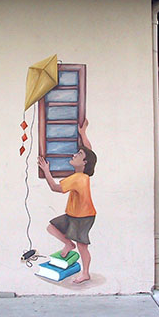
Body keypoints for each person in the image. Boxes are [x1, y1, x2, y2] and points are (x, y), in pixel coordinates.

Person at [38, 119, 97, 284]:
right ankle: (68, 245)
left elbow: (55, 187)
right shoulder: (83, 172)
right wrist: (83, 133)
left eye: (78, 155)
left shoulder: (78, 178)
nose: (74, 155)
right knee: (52, 227)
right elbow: (89, 151)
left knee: (82, 245)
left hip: (83, 217)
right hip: (73, 214)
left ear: (84, 163)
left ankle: (85, 273)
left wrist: (46, 171)